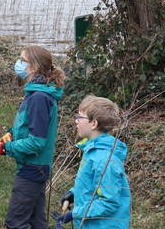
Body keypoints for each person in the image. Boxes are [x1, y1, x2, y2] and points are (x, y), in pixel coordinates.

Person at [0, 45, 66, 229]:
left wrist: (5, 148)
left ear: (34, 67)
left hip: (33, 168)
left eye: (22, 60)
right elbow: (28, 126)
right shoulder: (35, 93)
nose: (18, 63)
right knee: (36, 222)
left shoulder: (39, 98)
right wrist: (11, 134)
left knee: (15, 223)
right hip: (34, 167)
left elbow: (37, 142)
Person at [56, 95, 131, 229]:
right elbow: (93, 185)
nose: (76, 121)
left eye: (80, 117)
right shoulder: (92, 151)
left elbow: (109, 202)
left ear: (94, 124)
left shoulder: (104, 159)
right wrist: (74, 193)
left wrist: (75, 213)